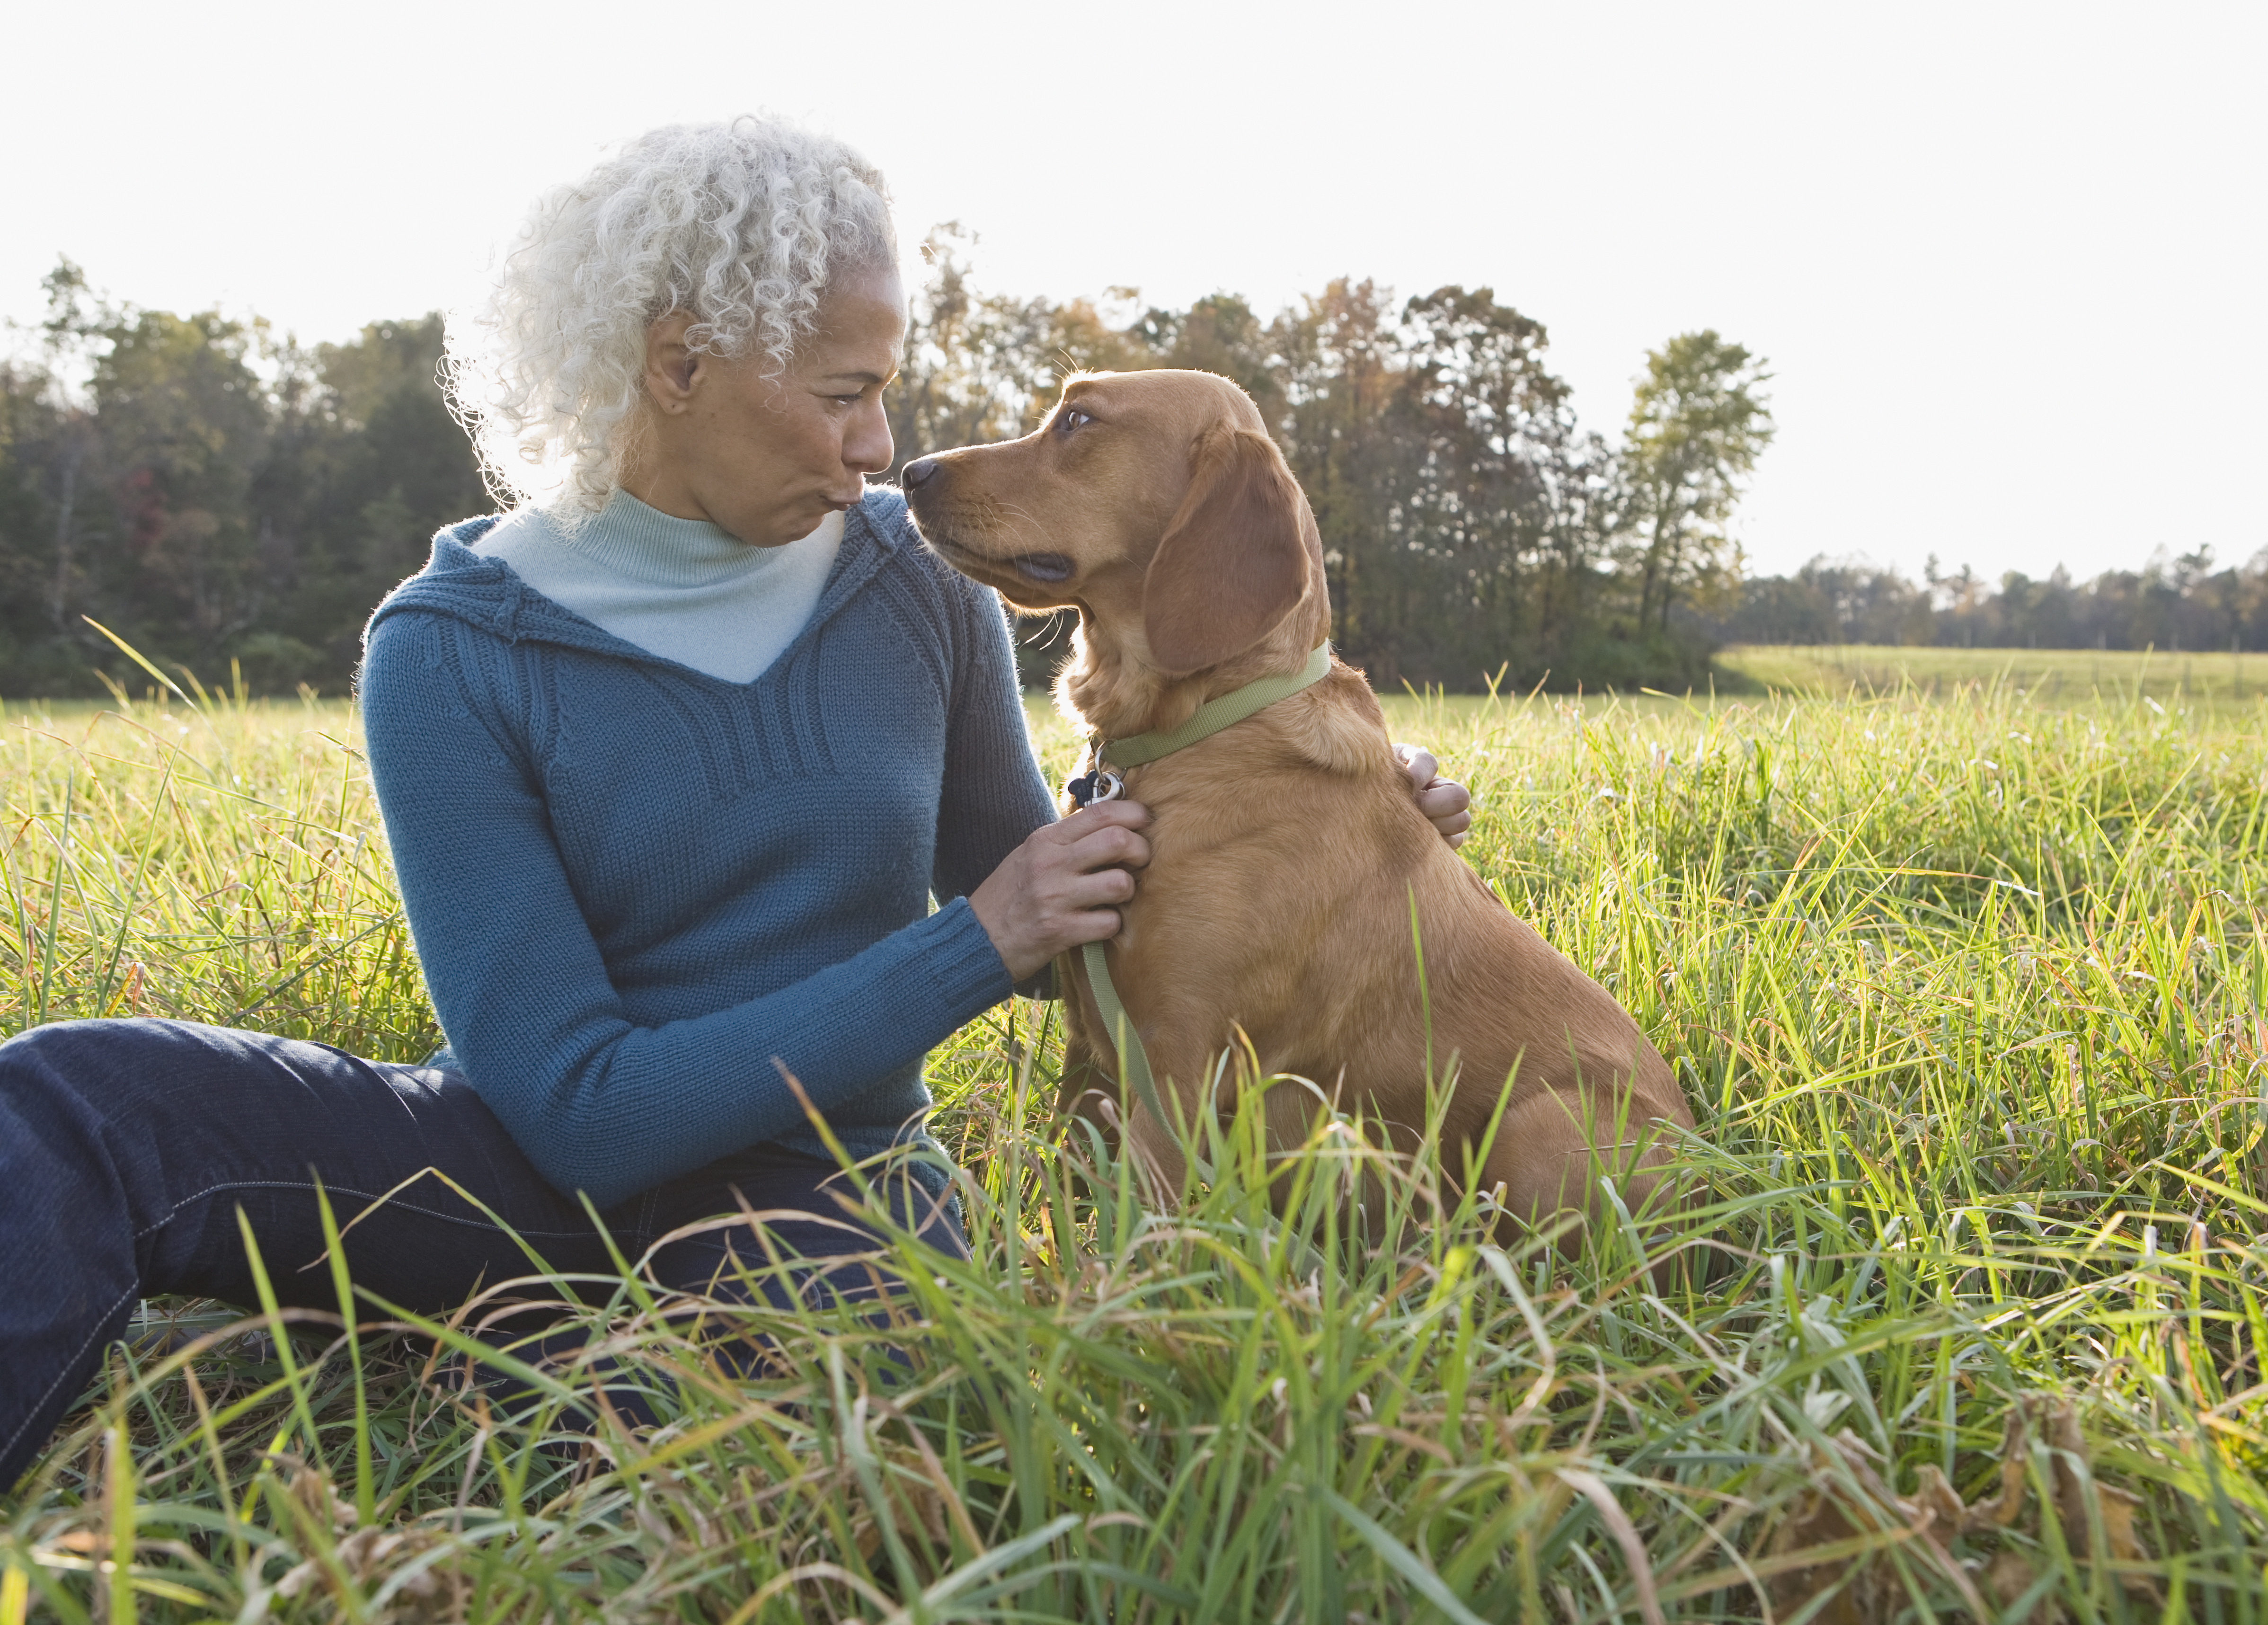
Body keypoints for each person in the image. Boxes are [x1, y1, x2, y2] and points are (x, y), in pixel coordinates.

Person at [0, 116, 1471, 1486]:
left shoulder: (917, 581)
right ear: (678, 363)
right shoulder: (451, 649)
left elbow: (1061, 899)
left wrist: (1312, 809)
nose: (883, 448)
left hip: (828, 1197)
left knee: (721, 1431)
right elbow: (575, 1106)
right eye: (844, 394)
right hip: (519, 1168)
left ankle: (433, 1356)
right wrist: (975, 942)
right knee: (78, 1094)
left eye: (884, 392)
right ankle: (434, 1330)